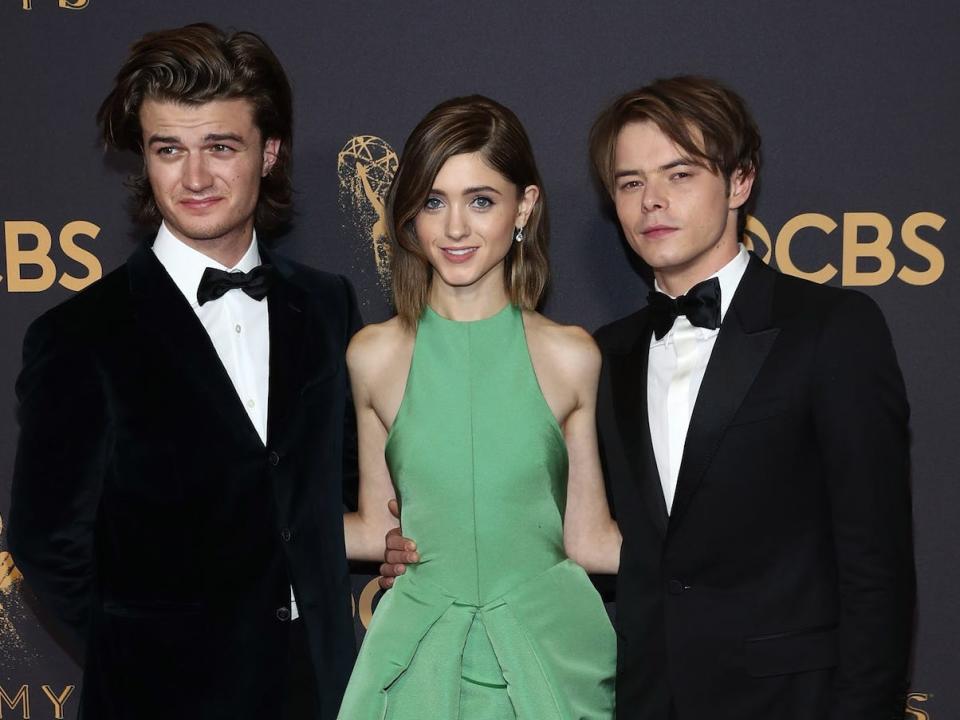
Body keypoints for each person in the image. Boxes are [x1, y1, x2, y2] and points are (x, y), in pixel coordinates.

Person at [9, 24, 359, 720]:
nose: (194, 178)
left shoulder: (325, 306)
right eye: (170, 150)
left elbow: (335, 486)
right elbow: (47, 546)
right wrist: (148, 655)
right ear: (146, 160)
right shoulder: (80, 335)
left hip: (320, 692)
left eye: (221, 147)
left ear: (270, 152)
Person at [588, 76, 915, 719]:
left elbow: (876, 568)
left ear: (739, 182)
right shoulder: (604, 354)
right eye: (630, 183)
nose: (651, 201)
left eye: (679, 174)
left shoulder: (832, 329)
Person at [339, 95, 619, 719]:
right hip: (418, 656)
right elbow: (372, 527)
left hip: (550, 652)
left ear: (524, 207)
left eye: (481, 200)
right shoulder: (374, 357)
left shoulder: (572, 357)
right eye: (434, 201)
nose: (455, 228)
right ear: (410, 213)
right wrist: (231, 527)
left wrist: (734, 558)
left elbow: (590, 538)